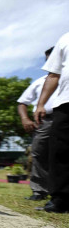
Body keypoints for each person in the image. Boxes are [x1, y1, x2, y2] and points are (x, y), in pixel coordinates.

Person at [34, 32, 69, 213]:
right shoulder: (65, 39)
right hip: (65, 102)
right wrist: (41, 104)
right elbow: (53, 75)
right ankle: (61, 199)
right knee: (60, 151)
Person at [17, 47, 58, 201]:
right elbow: (22, 102)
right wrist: (25, 119)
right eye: (49, 61)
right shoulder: (39, 82)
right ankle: (39, 190)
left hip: (65, 118)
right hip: (45, 121)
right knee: (39, 153)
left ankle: (60, 193)